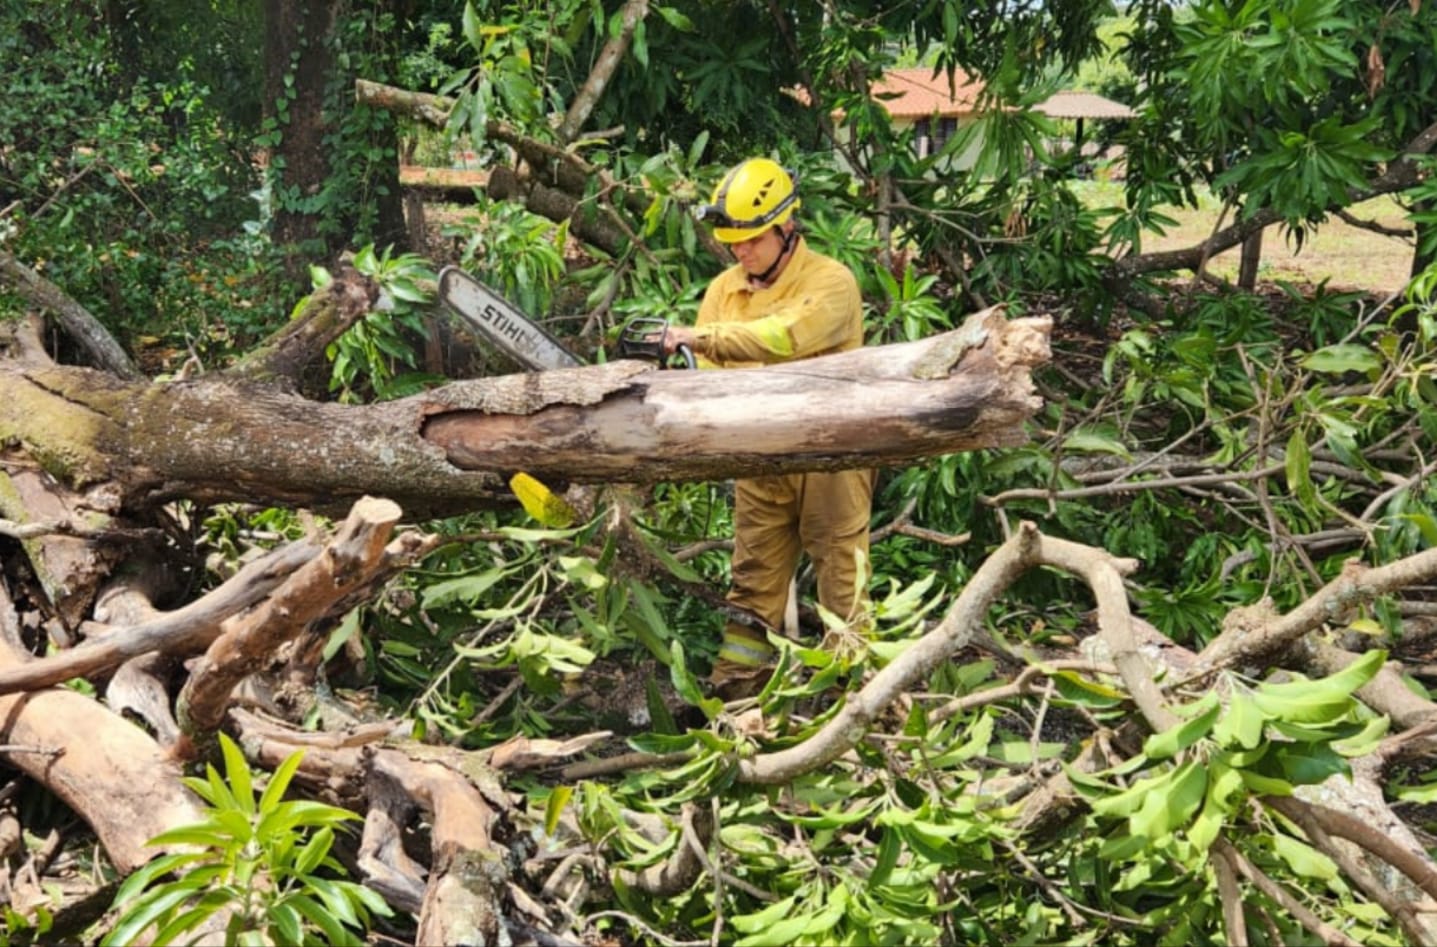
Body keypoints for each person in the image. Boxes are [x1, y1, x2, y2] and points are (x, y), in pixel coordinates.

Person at [658, 157, 874, 696]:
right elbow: (708, 375)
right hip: (758, 460)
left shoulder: (832, 283)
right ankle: (736, 692)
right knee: (753, 580)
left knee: (842, 582)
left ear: (785, 227)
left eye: (752, 240)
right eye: (734, 242)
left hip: (830, 458)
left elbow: (784, 337)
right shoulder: (724, 290)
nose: (741, 251)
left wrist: (700, 339)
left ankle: (850, 700)